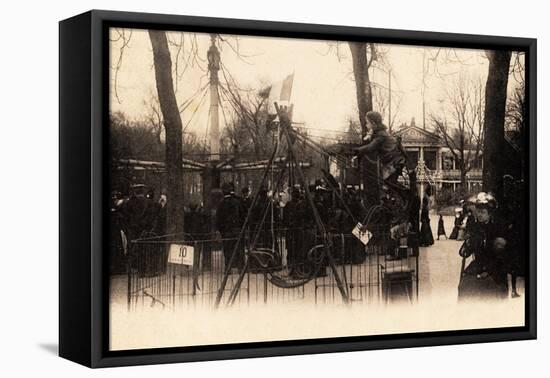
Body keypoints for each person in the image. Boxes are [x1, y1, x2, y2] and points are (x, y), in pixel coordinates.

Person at [458, 192, 510, 300]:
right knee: (465, 286)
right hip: (478, 264)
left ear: (489, 214)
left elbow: (502, 256)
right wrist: (468, 242)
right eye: (478, 212)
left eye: (483, 212)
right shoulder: (475, 228)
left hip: (495, 267)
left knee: (489, 290)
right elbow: (464, 253)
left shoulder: (497, 229)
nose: (479, 214)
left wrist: (488, 271)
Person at [353, 111, 406, 182]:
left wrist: (356, 150)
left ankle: (401, 193)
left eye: (367, 123)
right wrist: (370, 136)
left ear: (373, 123)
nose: (366, 125)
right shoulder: (380, 133)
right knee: (390, 184)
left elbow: (370, 147)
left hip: (393, 162)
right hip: (393, 161)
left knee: (390, 185)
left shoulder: (381, 135)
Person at [216, 182, 244, 272]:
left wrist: (221, 231)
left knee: (227, 250)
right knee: (238, 249)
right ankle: (240, 268)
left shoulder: (221, 204)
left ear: (223, 192)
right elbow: (243, 216)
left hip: (226, 232)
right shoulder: (237, 202)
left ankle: (228, 268)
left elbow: (218, 219)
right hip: (237, 230)